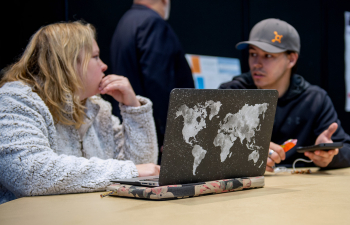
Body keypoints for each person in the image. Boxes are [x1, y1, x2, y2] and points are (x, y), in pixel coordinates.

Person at [0, 21, 160, 205]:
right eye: (95, 57)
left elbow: (145, 165)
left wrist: (133, 108)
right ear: (67, 62)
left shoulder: (97, 108)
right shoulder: (14, 100)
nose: (104, 66)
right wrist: (130, 172)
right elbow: (30, 174)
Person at [219, 18, 350, 171]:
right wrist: (242, 153)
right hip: (246, 190)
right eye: (253, 54)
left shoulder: (315, 99)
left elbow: (347, 150)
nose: (257, 63)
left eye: (268, 56)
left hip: (300, 188)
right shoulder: (231, 93)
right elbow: (204, 147)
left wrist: (329, 155)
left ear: (291, 59)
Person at [110, 0, 195, 163]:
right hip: (153, 134)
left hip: (130, 126)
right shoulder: (152, 23)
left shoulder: (126, 21)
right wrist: (171, 134)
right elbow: (159, 84)